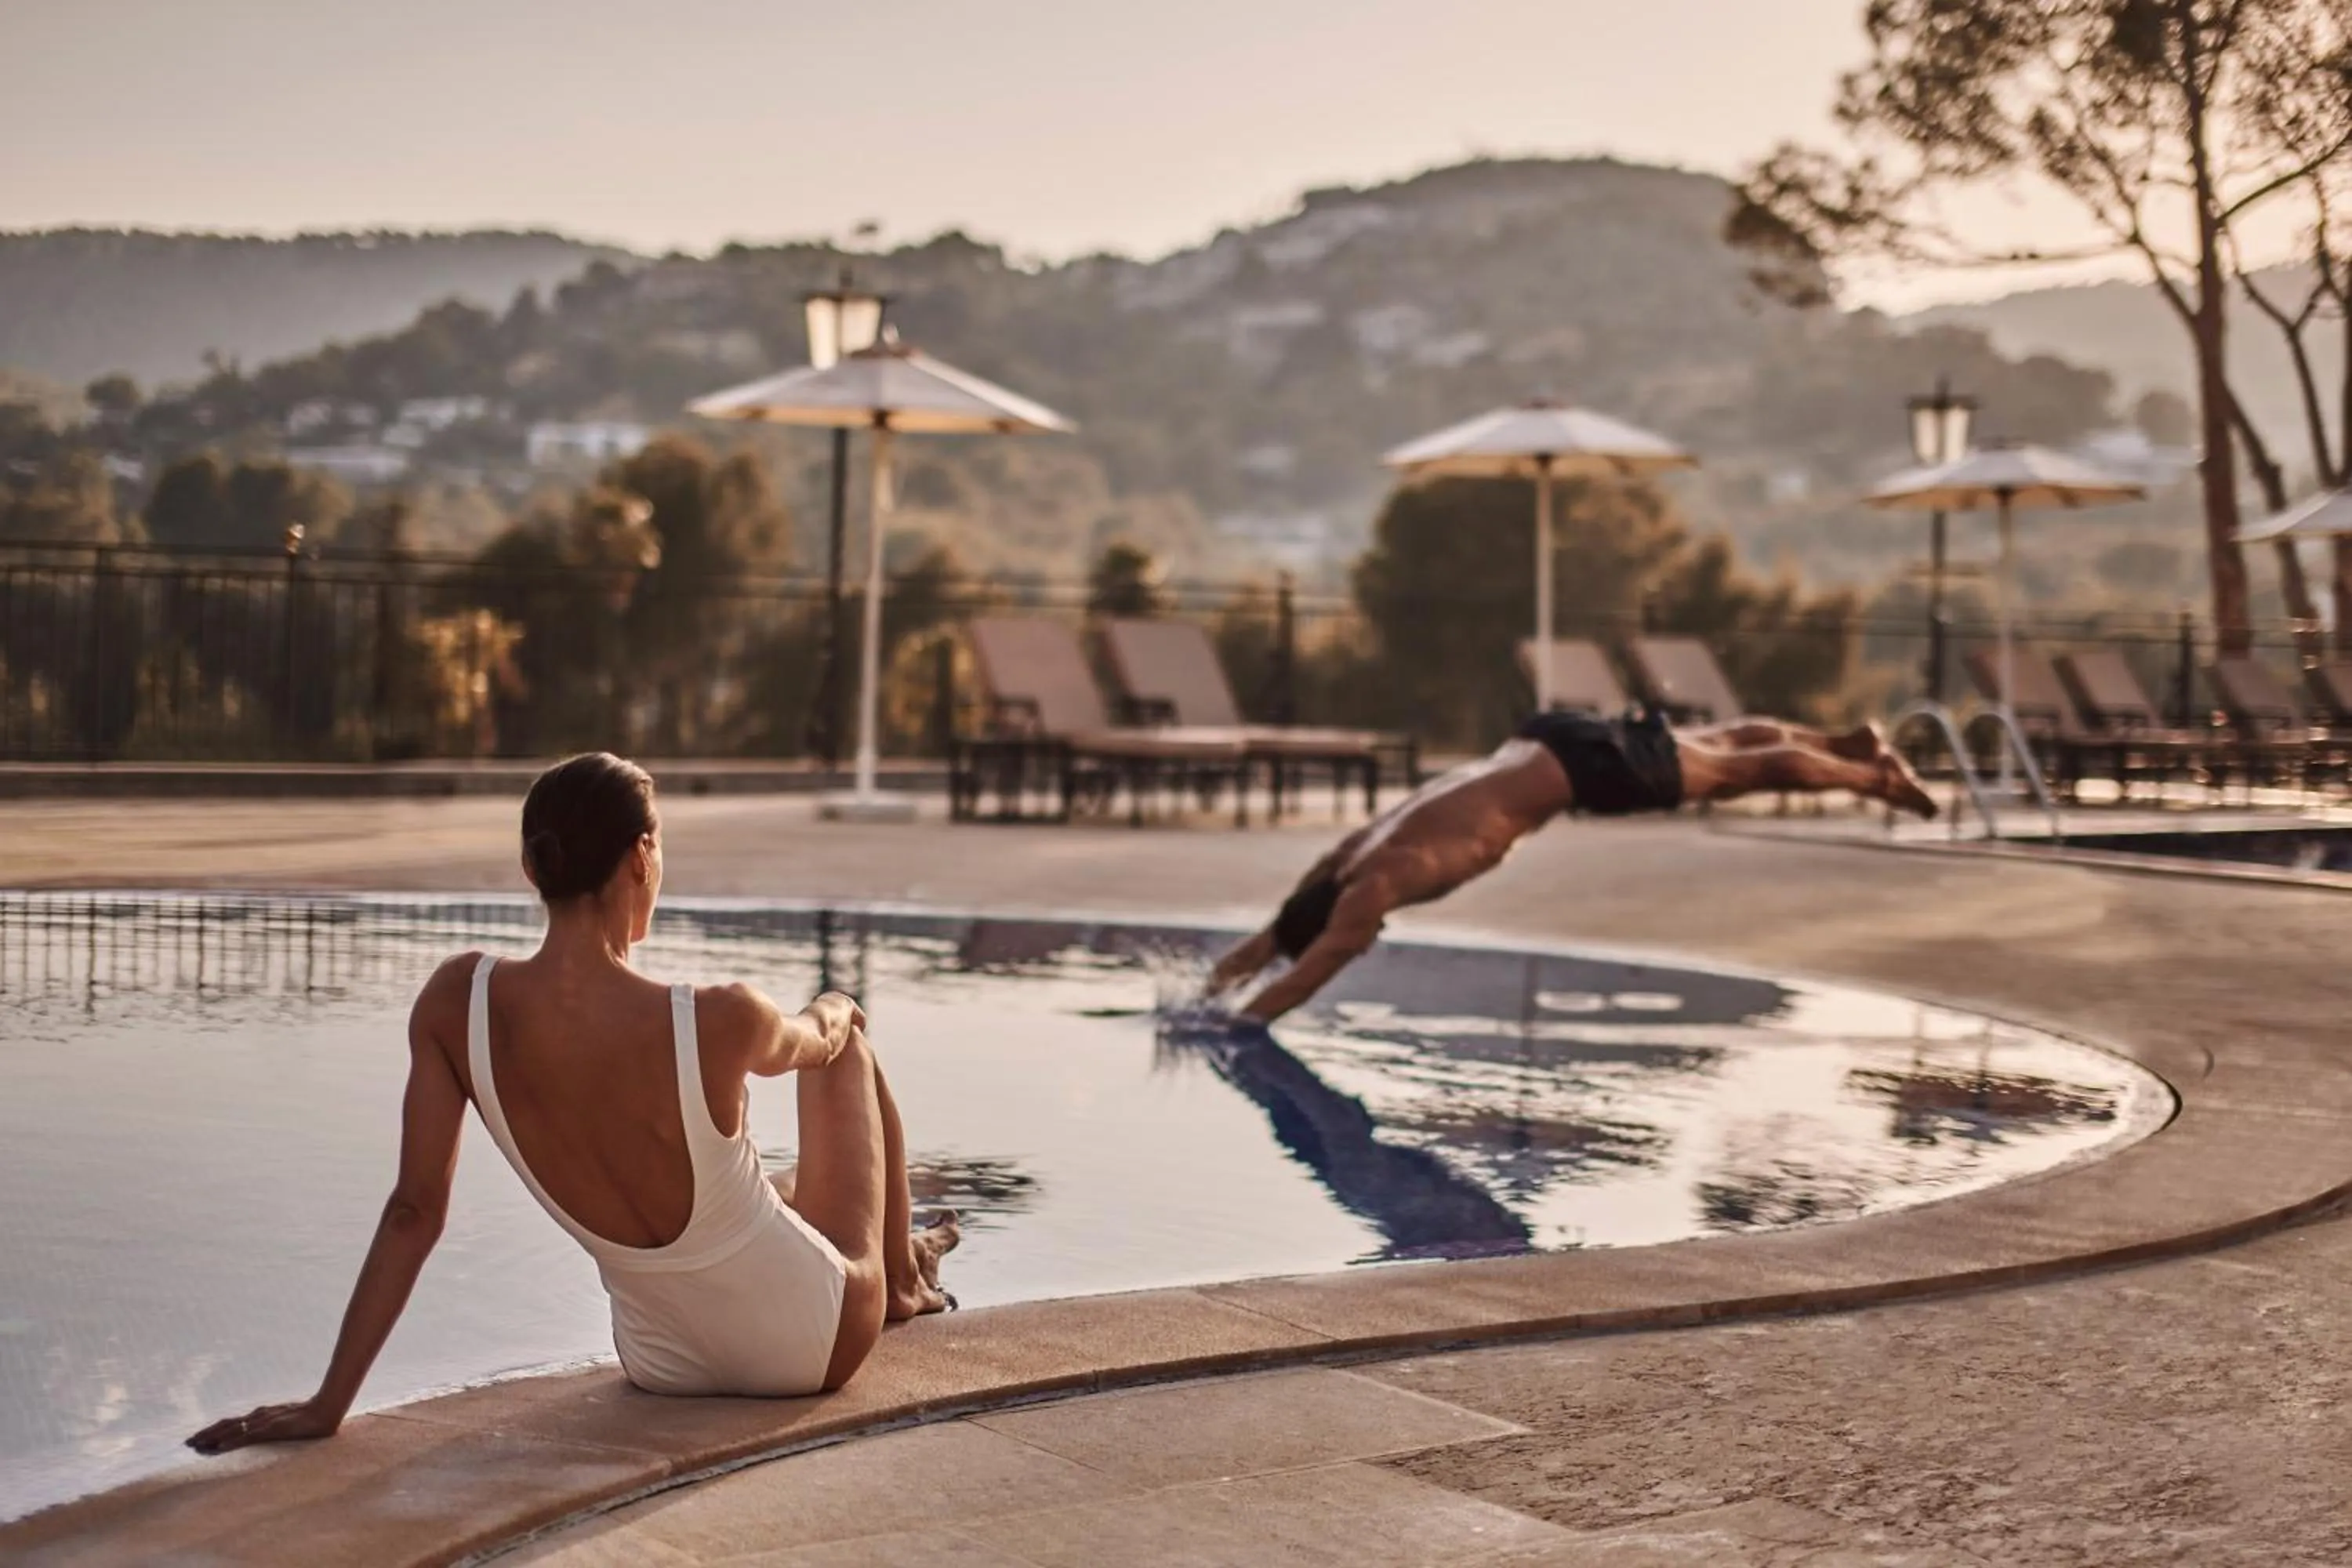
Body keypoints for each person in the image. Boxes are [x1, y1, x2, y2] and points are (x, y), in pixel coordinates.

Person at [188, 753, 956, 1456]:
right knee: (847, 1041)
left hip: (663, 1362)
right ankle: (899, 1281)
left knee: (767, 1186)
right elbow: (817, 1044)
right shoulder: (721, 1016)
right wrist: (833, 1002)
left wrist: (329, 1404)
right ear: (642, 856)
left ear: (531, 864)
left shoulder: (459, 1003)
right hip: (814, 1342)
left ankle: (907, 1258)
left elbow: (412, 1211)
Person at [1209, 709, 1937, 1022]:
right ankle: (1844, 743)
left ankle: (1875, 777)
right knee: (1714, 743)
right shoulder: (1343, 860)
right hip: (1543, 739)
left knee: (1732, 771)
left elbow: (1305, 969)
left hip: (1577, 771)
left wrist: (1234, 1028)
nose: (1364, 941)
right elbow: (1277, 937)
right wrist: (1203, 993)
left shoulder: (1369, 888)